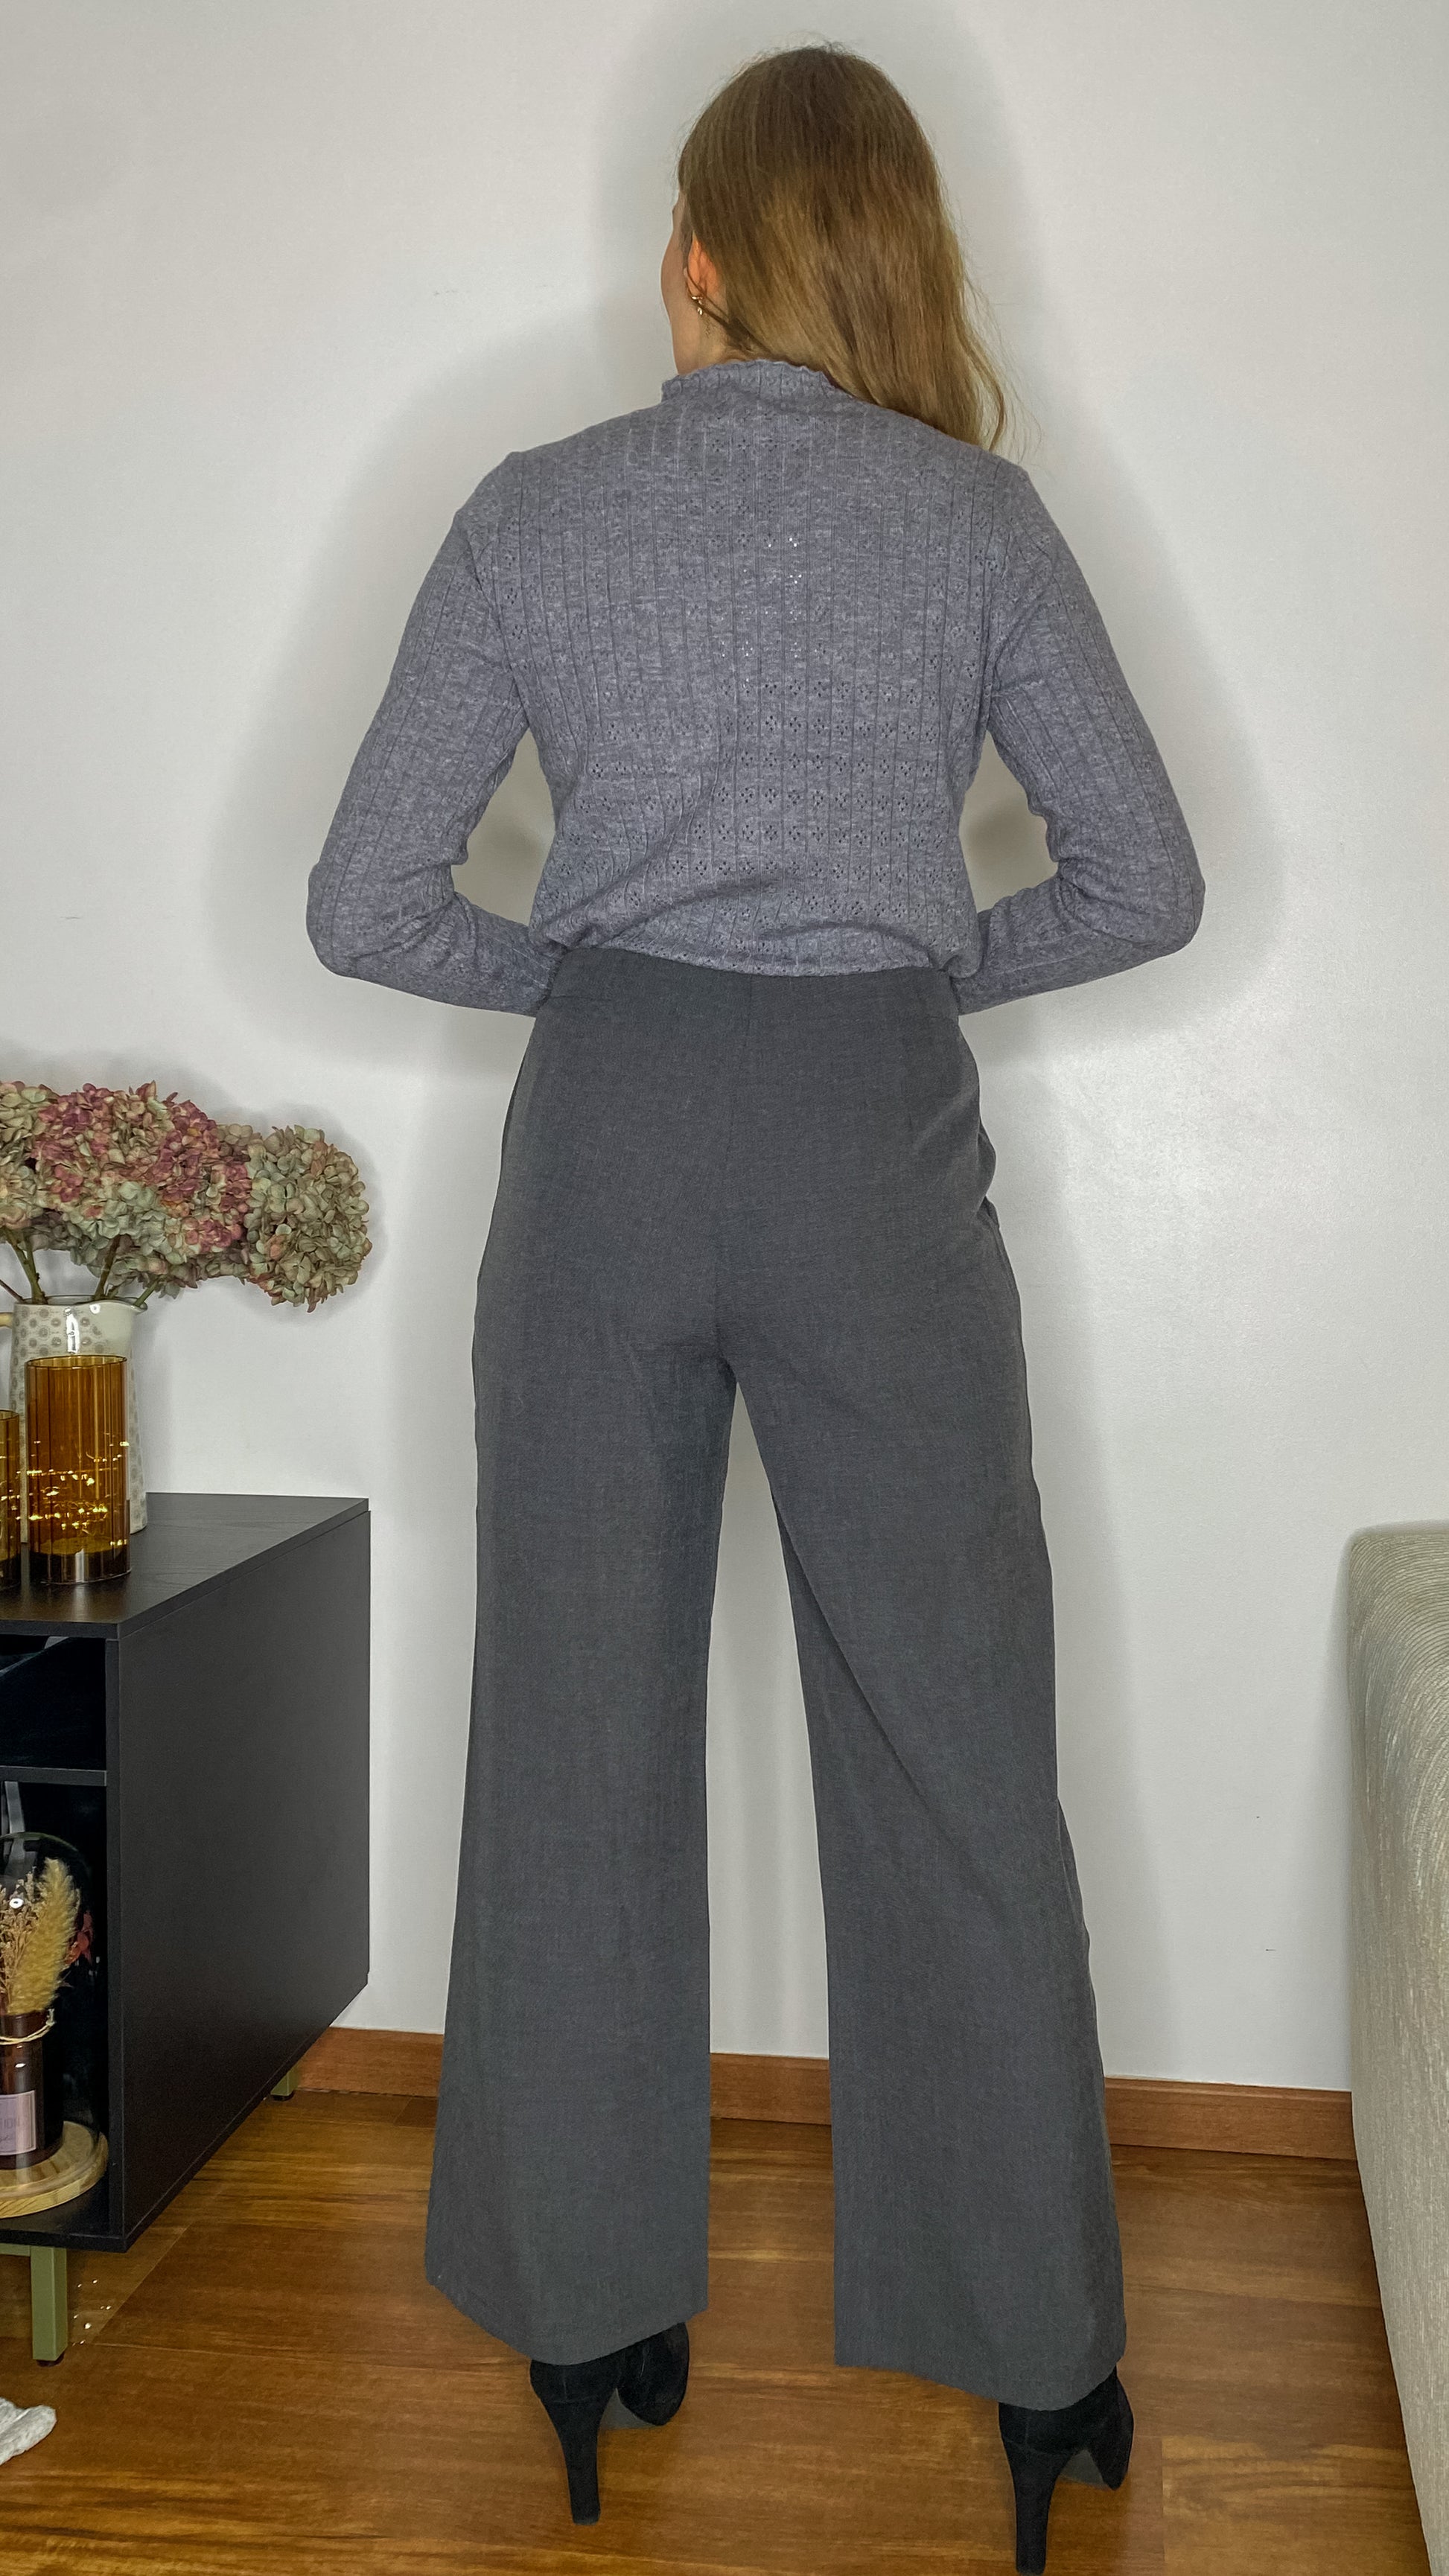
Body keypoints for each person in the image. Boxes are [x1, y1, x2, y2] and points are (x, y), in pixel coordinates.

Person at [306, 43, 1203, 2575]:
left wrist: (595, 974)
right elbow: (1143, 877)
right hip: (869, 1149)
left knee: (572, 1731)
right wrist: (908, 958)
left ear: (693, 259)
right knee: (955, 1741)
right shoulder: (972, 518)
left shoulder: (534, 509)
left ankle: (582, 2321)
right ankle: (1040, 2364)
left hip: (605, 1142)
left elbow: (362, 903)